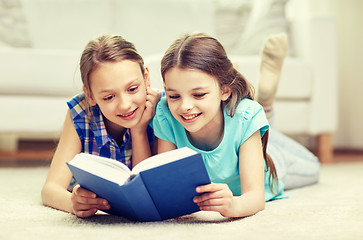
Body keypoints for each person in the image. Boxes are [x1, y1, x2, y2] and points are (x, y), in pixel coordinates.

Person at [151, 32, 320, 218]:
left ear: (225, 90)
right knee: (249, 122)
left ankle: (263, 113)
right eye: (174, 96)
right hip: (243, 130)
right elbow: (167, 186)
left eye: (198, 94)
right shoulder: (165, 114)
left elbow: (256, 197)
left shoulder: (244, 117)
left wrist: (234, 205)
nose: (185, 107)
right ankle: (264, 115)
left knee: (314, 167)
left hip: (270, 159)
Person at [41, 35, 161, 218]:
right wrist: (73, 204)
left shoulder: (160, 109)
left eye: (132, 89)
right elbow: (50, 189)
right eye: (109, 97)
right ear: (90, 95)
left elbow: (144, 193)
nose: (125, 105)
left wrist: (139, 131)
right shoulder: (81, 112)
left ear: (146, 77)